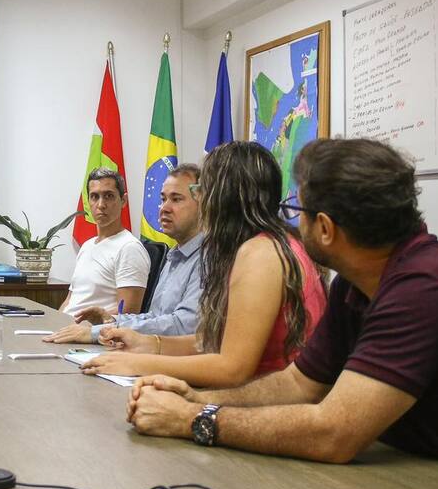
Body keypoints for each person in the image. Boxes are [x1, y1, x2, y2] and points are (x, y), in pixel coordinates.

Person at [127, 138, 438, 470]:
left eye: (298, 209)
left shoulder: (424, 289)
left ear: (325, 228)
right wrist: (195, 398)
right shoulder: (355, 282)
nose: (293, 221)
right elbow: (300, 384)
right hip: (411, 466)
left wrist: (192, 419)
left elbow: (335, 432)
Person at [80, 141, 326, 388]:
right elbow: (218, 341)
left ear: (224, 197)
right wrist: (152, 344)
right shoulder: (269, 244)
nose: (201, 198)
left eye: (203, 189)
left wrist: (140, 363)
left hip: (268, 400)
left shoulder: (261, 254)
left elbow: (232, 369)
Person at [45, 164, 203, 345]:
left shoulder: (209, 258)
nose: (163, 208)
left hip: (171, 361)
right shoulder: (175, 256)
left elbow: (183, 326)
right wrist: (113, 321)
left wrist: (99, 331)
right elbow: (155, 317)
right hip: (151, 352)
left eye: (176, 199)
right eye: (163, 199)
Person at [51, 167, 150, 326]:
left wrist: (80, 327)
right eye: (94, 197)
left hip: (93, 337)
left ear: (123, 201)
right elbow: (70, 301)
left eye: (109, 196)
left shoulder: (129, 248)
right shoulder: (87, 246)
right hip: (67, 329)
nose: (101, 204)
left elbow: (128, 314)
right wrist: (56, 323)